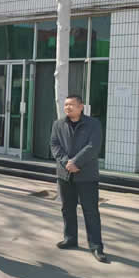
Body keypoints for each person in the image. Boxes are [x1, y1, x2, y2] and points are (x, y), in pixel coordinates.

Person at [50, 95, 107, 263]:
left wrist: (76, 162)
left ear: (81, 107)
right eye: (66, 105)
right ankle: (70, 238)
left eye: (71, 105)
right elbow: (54, 145)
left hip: (86, 175)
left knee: (91, 211)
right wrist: (66, 162)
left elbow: (93, 146)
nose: (67, 107)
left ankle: (96, 246)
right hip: (65, 175)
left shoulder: (93, 124)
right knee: (67, 208)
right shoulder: (58, 124)